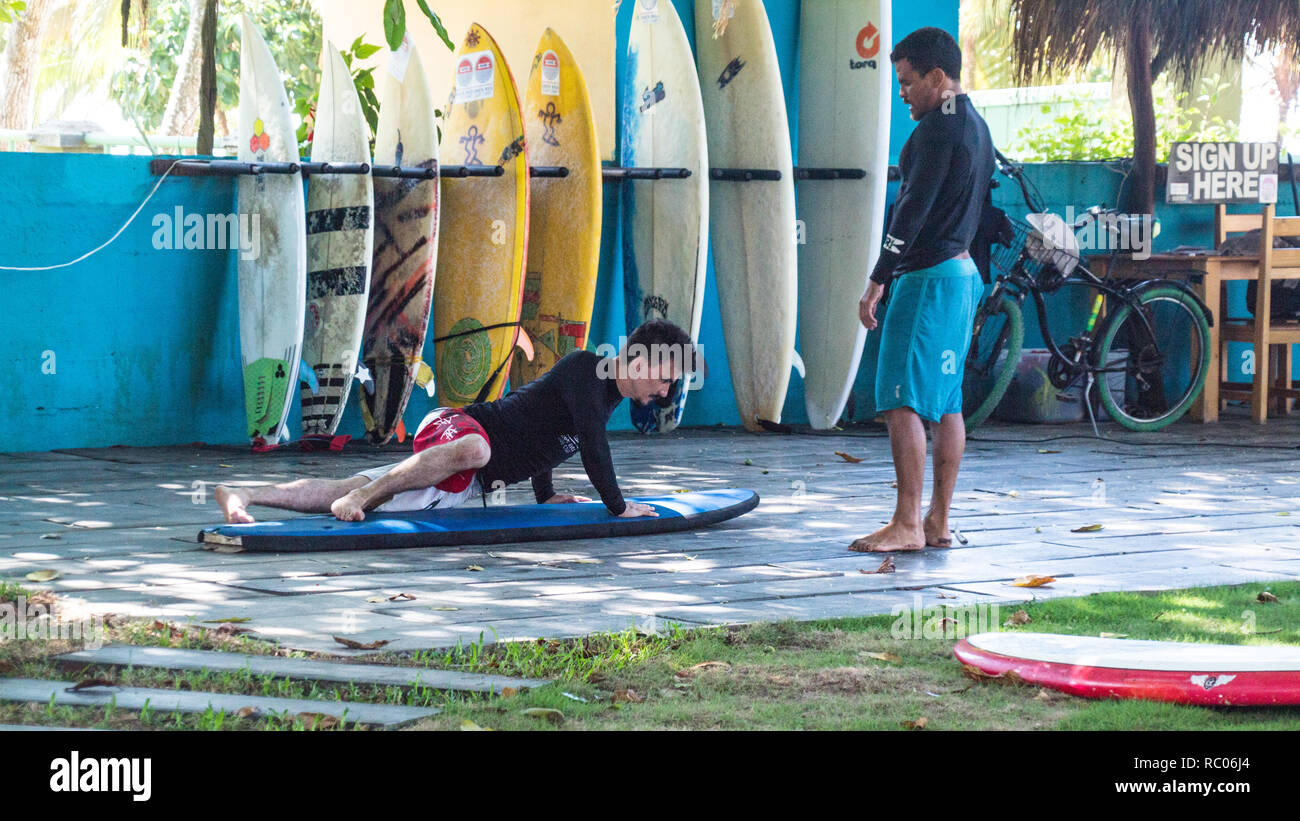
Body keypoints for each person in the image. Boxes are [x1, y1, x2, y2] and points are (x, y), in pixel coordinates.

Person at [215, 320, 698, 524]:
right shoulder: (586, 368)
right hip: (458, 428)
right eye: (665, 379)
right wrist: (617, 507)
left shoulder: (603, 393)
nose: (664, 392)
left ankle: (245, 494)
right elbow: (593, 446)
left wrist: (545, 494)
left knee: (349, 489)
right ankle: (364, 495)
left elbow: (550, 435)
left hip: (467, 476)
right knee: (478, 449)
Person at [852, 27, 993, 553]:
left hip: (928, 278)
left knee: (902, 401)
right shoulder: (975, 125)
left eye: (908, 82)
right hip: (962, 278)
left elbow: (912, 209)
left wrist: (879, 277)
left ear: (937, 77)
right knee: (947, 401)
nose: (902, 92)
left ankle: (907, 523)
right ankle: (938, 521)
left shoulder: (939, 128)